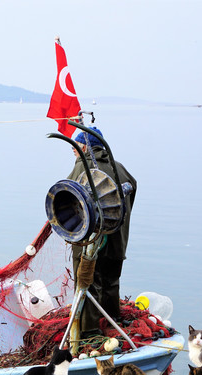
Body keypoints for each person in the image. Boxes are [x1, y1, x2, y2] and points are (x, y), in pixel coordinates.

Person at [68, 127, 137, 337]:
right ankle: (112, 319)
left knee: (88, 282)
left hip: (91, 240)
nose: (73, 151)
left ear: (85, 147)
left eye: (76, 147)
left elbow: (66, 197)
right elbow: (132, 188)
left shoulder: (83, 168)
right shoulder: (119, 168)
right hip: (118, 238)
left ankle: (90, 330)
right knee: (111, 279)